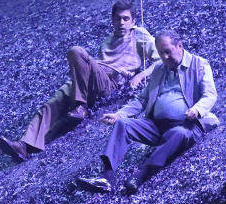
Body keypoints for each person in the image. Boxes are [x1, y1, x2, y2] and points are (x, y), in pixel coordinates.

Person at [0, 0, 159, 162]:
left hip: (110, 84)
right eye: (118, 19)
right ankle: (24, 146)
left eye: (125, 19)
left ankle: (80, 106)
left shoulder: (139, 34)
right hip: (91, 79)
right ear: (112, 20)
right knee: (53, 102)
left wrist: (141, 75)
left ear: (133, 21)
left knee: (76, 51)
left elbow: (159, 60)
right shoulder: (107, 41)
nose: (121, 23)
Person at [76, 30, 218, 194]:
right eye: (160, 53)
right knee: (123, 124)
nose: (164, 57)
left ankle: (141, 174)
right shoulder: (159, 69)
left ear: (179, 46)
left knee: (180, 134)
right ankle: (106, 177)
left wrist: (197, 109)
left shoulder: (199, 65)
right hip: (155, 126)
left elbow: (210, 94)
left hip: (186, 125)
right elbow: (142, 99)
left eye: (167, 51)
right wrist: (119, 114)